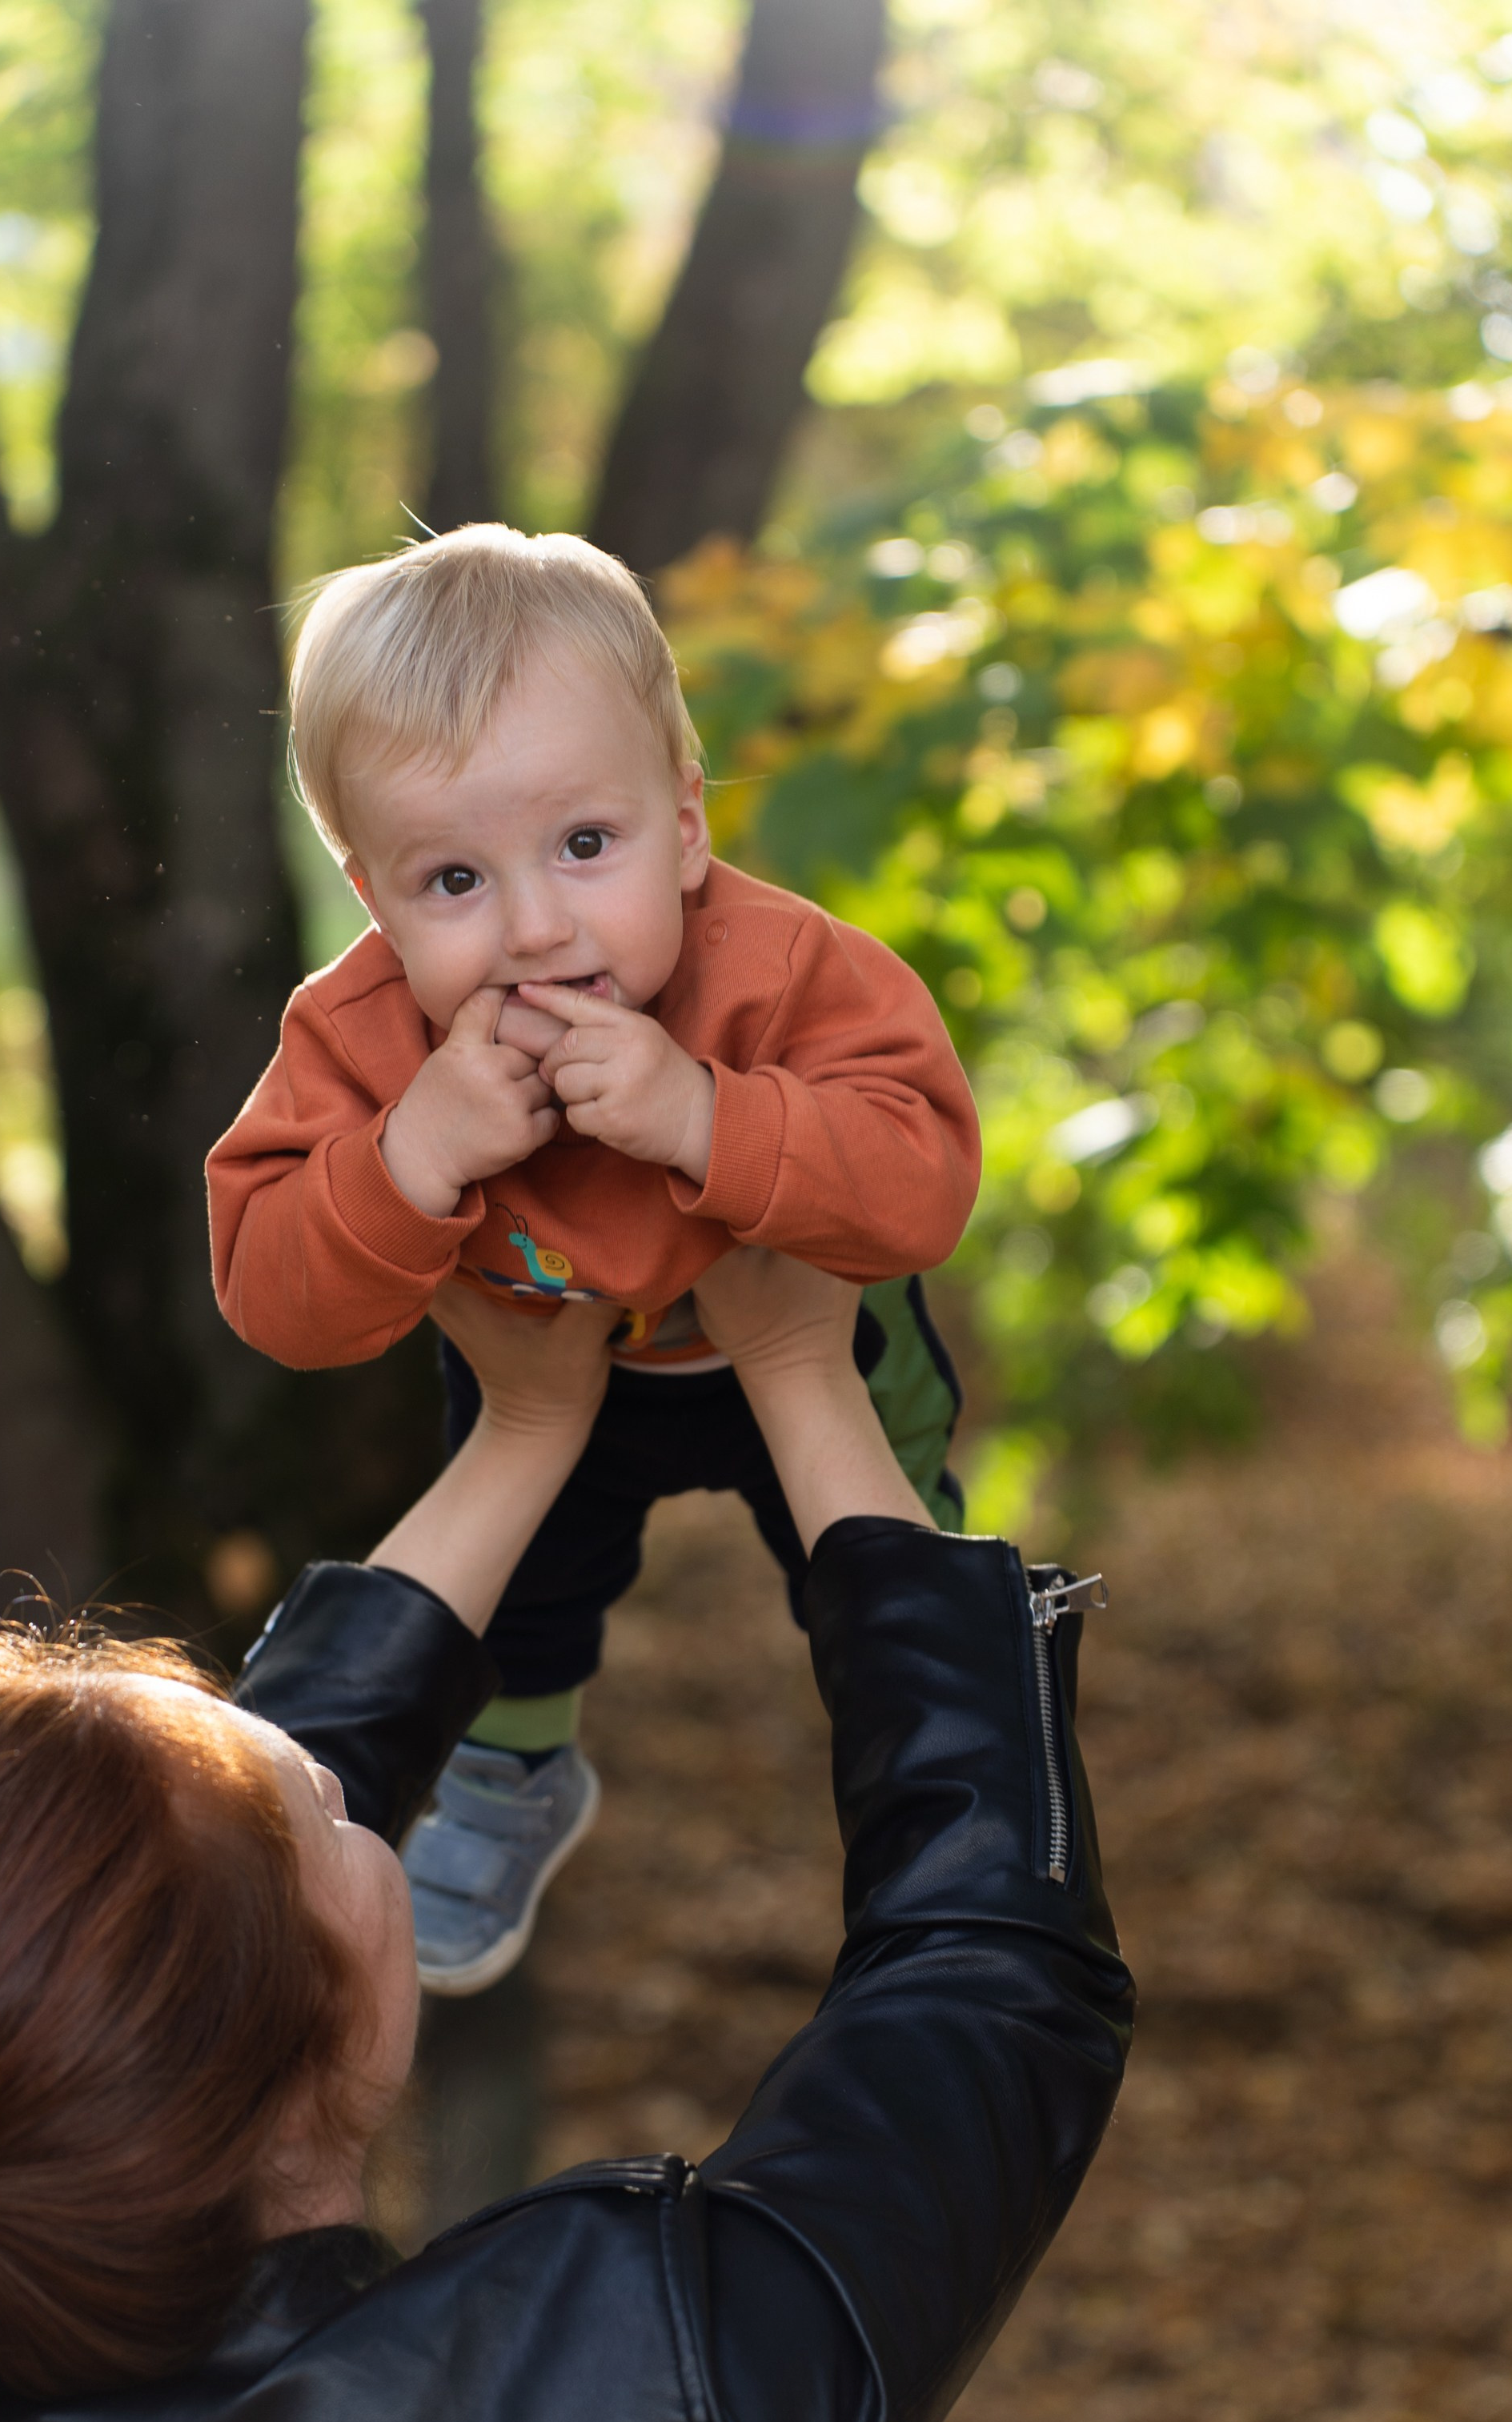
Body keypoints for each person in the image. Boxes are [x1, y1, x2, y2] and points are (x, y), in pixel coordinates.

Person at [0, 1248, 1129, 2422]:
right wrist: (806, 1373)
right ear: (315, 2015)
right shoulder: (625, 2395)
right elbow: (988, 1976)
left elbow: (180, 1934)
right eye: (327, 1810)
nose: (335, 1781)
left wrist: (520, 1436)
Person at [207, 523, 981, 1996]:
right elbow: (272, 1292)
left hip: (808, 1338)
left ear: (682, 823)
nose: (533, 930)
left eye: (583, 845)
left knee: (880, 1570)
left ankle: (948, 1761)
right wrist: (410, 1157)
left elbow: (922, 1174)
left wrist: (707, 1116)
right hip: (550, 1359)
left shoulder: (789, 971)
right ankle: (510, 1777)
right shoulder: (362, 1040)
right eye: (452, 881)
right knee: (521, 1601)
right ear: (371, 898)